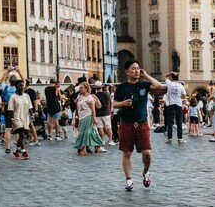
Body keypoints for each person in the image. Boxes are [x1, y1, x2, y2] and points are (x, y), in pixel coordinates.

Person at [112, 60, 163, 191]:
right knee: (127, 153)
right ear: (126, 71)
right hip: (126, 124)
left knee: (147, 153)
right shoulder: (122, 87)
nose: (136, 70)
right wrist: (123, 103)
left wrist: (145, 75)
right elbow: (114, 104)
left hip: (142, 124)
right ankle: (129, 180)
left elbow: (157, 86)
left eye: (138, 68)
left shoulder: (143, 85)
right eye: (133, 68)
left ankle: (146, 171)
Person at [73, 82, 105, 155]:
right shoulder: (79, 96)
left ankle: (83, 149)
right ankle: (97, 144)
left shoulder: (90, 98)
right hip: (81, 117)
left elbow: (93, 109)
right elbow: (76, 103)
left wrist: (94, 118)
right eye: (80, 88)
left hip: (88, 116)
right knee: (91, 132)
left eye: (82, 88)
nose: (80, 89)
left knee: (84, 132)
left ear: (86, 89)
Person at [8, 79, 32, 161]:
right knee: (21, 132)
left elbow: (30, 107)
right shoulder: (13, 97)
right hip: (16, 117)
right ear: (16, 87)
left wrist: (33, 114)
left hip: (25, 117)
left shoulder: (26, 96)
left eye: (22, 85)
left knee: (23, 135)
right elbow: (10, 109)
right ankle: (24, 152)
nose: (22, 87)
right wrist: (11, 119)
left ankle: (15, 151)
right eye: (20, 85)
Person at [164, 72, 186, 144]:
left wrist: (170, 73)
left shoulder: (169, 84)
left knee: (170, 122)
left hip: (171, 105)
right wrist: (180, 97)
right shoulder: (181, 86)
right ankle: (180, 138)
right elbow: (184, 96)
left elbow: (165, 76)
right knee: (179, 122)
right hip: (179, 105)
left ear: (172, 77)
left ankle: (169, 138)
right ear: (178, 78)